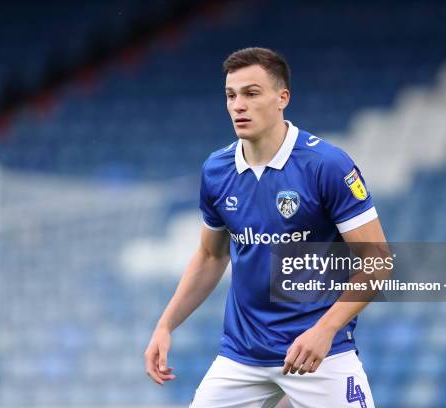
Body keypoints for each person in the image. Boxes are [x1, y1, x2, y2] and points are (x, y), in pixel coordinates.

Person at [144, 47, 387, 407]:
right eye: (231, 95)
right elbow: (211, 256)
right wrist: (165, 324)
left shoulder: (326, 165)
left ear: (282, 98)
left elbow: (378, 261)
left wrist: (325, 330)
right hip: (243, 356)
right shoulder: (216, 170)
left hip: (319, 352)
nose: (238, 105)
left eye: (251, 93)